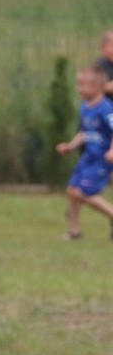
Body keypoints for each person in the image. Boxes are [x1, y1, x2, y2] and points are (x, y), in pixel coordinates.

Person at [54, 63, 113, 240]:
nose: (78, 88)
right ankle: (74, 231)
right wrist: (70, 146)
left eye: (82, 85)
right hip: (88, 157)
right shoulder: (85, 107)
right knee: (72, 191)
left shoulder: (106, 109)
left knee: (84, 192)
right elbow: (85, 132)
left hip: (101, 159)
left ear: (96, 87)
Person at [94, 30, 113, 98]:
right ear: (103, 49)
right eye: (111, 46)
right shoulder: (99, 66)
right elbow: (92, 87)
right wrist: (107, 87)